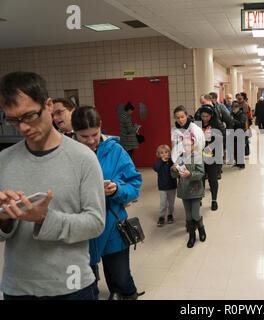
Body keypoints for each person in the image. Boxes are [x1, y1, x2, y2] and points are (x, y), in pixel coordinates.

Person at [0, 71, 105, 300]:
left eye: (30, 116)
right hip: (17, 286)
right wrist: (4, 218)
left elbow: (95, 223)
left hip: (71, 284)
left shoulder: (83, 158)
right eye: (13, 120)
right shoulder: (4, 161)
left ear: (48, 105)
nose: (23, 128)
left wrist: (45, 219)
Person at [71, 106, 142, 300]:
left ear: (101, 126)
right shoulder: (66, 154)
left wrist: (117, 190)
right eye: (84, 137)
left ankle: (125, 293)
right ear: (73, 132)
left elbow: (134, 184)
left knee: (120, 277)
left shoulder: (115, 150)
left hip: (112, 225)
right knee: (84, 283)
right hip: (80, 230)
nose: (91, 141)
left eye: (94, 134)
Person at [171, 136, 206, 248]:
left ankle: (201, 229)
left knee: (195, 214)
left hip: (196, 190)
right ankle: (192, 235)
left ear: (193, 145)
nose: (186, 147)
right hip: (184, 191)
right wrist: (173, 170)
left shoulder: (197, 157)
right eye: (184, 145)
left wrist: (190, 174)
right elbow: (174, 175)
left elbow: (201, 174)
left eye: (188, 145)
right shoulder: (179, 158)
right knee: (188, 216)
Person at [198, 105, 225, 211]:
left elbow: (222, 136)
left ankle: (214, 200)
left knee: (213, 179)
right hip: (199, 155)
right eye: (203, 116)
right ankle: (199, 198)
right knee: (200, 178)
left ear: (211, 115)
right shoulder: (197, 123)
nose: (205, 118)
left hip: (213, 155)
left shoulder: (216, 123)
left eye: (207, 116)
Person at [153, 145, 177, 227]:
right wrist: (161, 161)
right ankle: (161, 217)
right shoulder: (158, 163)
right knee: (163, 203)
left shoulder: (172, 161)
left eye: (166, 152)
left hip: (172, 186)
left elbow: (176, 168)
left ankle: (170, 215)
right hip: (162, 187)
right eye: (162, 153)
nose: (164, 154)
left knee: (171, 203)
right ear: (159, 154)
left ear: (169, 153)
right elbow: (155, 168)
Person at [230, 102, 247, 169]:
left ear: (238, 108)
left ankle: (242, 164)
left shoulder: (242, 114)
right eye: (232, 109)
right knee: (235, 149)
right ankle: (237, 162)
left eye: (234, 109)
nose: (233, 110)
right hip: (233, 134)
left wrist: (233, 120)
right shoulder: (232, 114)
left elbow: (242, 124)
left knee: (240, 149)